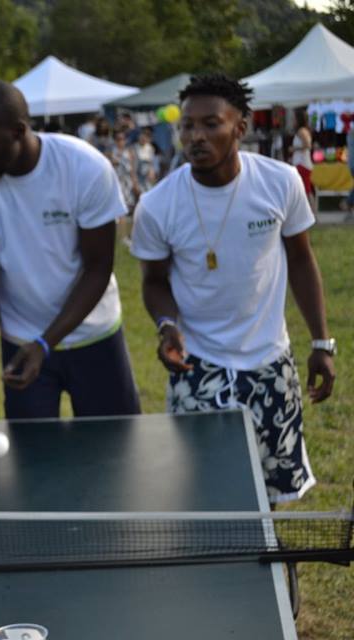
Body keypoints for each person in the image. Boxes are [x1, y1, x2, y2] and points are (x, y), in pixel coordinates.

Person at [130, 74, 335, 503]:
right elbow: (153, 282)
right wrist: (167, 326)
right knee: (200, 490)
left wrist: (321, 341)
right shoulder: (157, 205)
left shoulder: (281, 183)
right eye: (187, 126)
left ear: (240, 127)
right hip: (198, 365)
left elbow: (301, 260)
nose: (195, 137)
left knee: (273, 492)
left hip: (270, 362)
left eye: (211, 124)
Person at [0, 80, 140, 422]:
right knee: (32, 464)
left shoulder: (84, 167)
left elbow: (97, 269)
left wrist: (45, 343)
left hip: (95, 337)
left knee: (115, 451)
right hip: (20, 343)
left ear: (18, 131)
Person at [290, 111, 315, 208]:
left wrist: (294, 149)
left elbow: (307, 145)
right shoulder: (303, 131)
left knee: (306, 190)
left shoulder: (302, 131)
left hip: (302, 164)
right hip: (301, 163)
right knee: (305, 189)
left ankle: (312, 212)